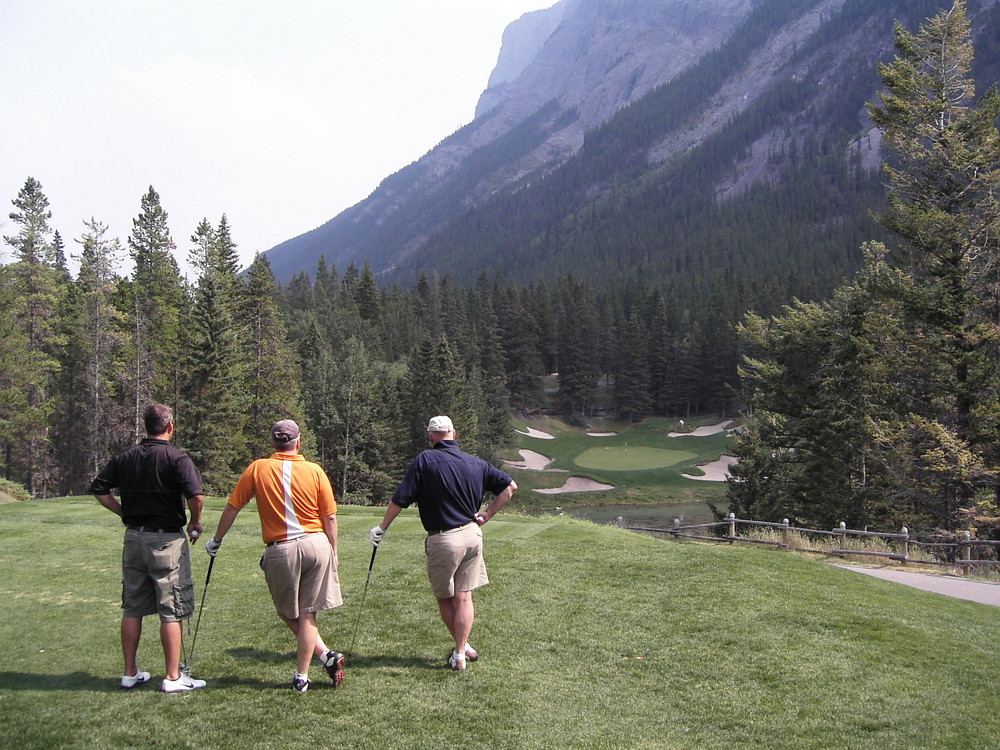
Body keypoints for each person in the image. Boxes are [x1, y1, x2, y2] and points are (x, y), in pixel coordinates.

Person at [204, 419, 345, 692]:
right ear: (298, 441)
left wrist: (216, 539)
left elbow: (233, 506)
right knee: (307, 613)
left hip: (282, 549)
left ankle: (304, 674)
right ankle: (323, 658)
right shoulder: (315, 471)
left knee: (290, 612)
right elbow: (329, 517)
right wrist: (334, 552)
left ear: (273, 442)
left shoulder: (258, 468)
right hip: (316, 544)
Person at [370, 415, 516, 671]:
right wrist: (488, 513)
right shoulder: (476, 462)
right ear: (454, 434)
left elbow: (400, 499)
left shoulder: (425, 460)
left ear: (430, 436)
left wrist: (382, 528)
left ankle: (460, 652)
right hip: (473, 535)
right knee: (464, 597)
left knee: (445, 597)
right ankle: (463, 648)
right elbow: (510, 487)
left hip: (443, 538)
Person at [90, 404, 207, 693]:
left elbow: (99, 488)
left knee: (133, 606)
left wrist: (123, 513)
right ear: (170, 426)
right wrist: (195, 521)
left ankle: (130, 673)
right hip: (166, 539)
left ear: (147, 426)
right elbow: (197, 496)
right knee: (172, 608)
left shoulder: (126, 456)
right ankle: (172, 677)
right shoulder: (176, 458)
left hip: (134, 538)